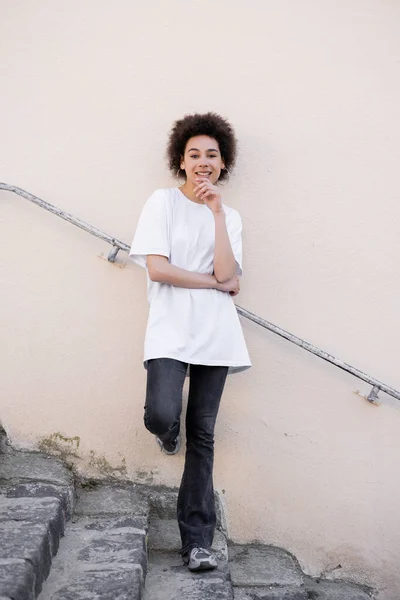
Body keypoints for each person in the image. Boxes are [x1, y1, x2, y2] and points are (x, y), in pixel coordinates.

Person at [129, 112, 251, 572]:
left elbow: (228, 272)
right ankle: (167, 433)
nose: (203, 162)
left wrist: (217, 214)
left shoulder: (230, 216)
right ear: (181, 161)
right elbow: (158, 268)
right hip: (169, 330)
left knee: (203, 436)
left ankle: (197, 542)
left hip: (215, 335)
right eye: (194, 154)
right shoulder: (161, 202)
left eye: (212, 156)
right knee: (161, 413)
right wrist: (217, 282)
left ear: (223, 164)